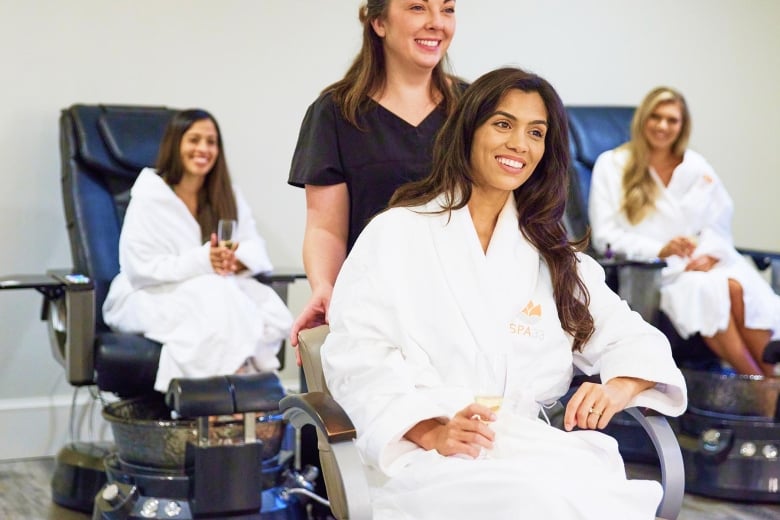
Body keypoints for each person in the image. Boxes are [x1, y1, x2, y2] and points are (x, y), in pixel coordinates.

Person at [320, 68, 687, 519]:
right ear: (469, 130)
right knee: (533, 504)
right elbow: (357, 357)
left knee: (587, 497)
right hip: (424, 458)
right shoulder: (396, 234)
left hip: (526, 447)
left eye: (536, 132)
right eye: (503, 124)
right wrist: (429, 429)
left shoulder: (550, 255)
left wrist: (619, 386)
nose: (520, 144)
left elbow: (634, 338)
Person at [287, 0, 463, 349]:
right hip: (376, 312)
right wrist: (325, 286)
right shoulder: (336, 113)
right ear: (378, 22)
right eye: (417, 8)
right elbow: (325, 228)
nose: (436, 23)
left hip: (459, 308)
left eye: (447, 9)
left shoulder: (472, 108)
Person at [589, 87, 780, 377]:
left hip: (704, 264)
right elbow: (605, 236)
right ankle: (766, 389)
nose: (663, 126)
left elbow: (718, 223)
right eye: (656, 117)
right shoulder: (613, 165)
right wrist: (659, 250)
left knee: (736, 287)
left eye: (672, 120)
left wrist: (711, 254)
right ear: (642, 119)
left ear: (682, 125)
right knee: (710, 291)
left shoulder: (696, 166)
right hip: (656, 274)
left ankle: (768, 383)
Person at [103, 109, 293, 392]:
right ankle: (224, 395)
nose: (203, 149)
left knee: (270, 308)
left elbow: (255, 248)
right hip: (149, 293)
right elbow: (139, 269)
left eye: (211, 141)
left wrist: (235, 260)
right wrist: (204, 260)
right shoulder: (150, 196)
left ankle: (238, 393)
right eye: (194, 140)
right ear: (175, 144)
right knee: (215, 300)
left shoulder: (226, 194)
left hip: (213, 287)